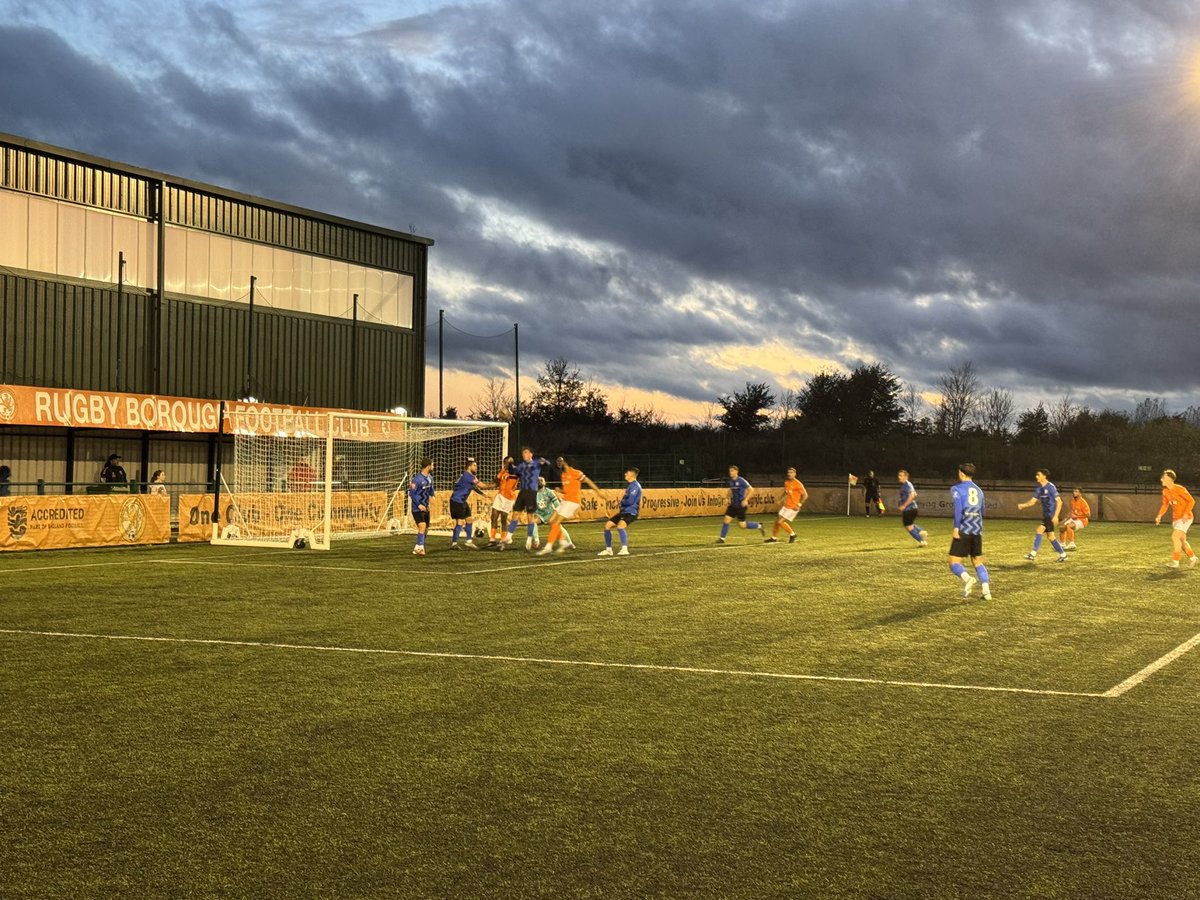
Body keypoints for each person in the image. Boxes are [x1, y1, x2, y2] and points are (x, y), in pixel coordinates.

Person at [537, 456, 605, 556]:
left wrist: (598, 492)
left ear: (566, 463)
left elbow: (588, 481)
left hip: (572, 502)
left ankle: (548, 546)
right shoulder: (564, 475)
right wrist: (560, 490)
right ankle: (563, 542)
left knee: (556, 522)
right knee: (551, 521)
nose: (559, 464)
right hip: (565, 501)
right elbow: (567, 491)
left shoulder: (576, 473)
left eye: (561, 462)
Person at [949, 462, 991, 600]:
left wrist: (956, 528)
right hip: (977, 530)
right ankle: (986, 591)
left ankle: (968, 579)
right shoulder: (979, 491)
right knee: (978, 561)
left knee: (954, 562)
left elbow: (958, 510)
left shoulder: (956, 489)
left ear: (961, 473)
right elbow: (983, 511)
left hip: (964, 529)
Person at [503, 447, 550, 551]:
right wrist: (510, 464)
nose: (523, 454)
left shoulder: (536, 462)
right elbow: (513, 471)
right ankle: (509, 536)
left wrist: (545, 461)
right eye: (523, 453)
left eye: (525, 452)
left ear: (531, 454)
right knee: (515, 514)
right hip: (522, 492)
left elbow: (548, 464)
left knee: (530, 517)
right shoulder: (521, 465)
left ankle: (529, 539)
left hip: (531, 492)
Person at [1018, 468, 1067, 563]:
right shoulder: (1039, 488)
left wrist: (1056, 516)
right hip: (1046, 516)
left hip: (1050, 515)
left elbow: (1059, 502)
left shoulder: (1051, 487)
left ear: (1044, 476)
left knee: (1039, 530)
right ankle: (1063, 554)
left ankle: (1033, 554)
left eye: (1038, 475)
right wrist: (1023, 505)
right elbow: (1032, 502)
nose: (1036, 476)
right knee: (1051, 537)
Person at [1155, 469, 1196, 569]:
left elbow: (1191, 501)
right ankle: (1193, 557)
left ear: (1169, 479)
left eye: (1163, 477)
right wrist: (1159, 515)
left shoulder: (1179, 488)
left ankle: (1175, 562)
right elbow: (1165, 505)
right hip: (1176, 519)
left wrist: (1186, 513)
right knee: (1182, 542)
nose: (1161, 479)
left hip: (1185, 518)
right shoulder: (1165, 491)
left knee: (1175, 537)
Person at [599, 467, 642, 556]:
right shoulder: (630, 485)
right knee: (607, 526)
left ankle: (624, 549)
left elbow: (630, 501)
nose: (625, 474)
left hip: (631, 512)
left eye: (627, 473)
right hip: (624, 511)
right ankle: (608, 550)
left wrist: (620, 502)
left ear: (631, 474)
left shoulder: (635, 486)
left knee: (620, 526)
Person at [717, 465, 763, 542]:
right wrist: (727, 498)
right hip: (733, 505)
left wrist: (745, 500)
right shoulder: (731, 481)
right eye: (729, 471)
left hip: (740, 506)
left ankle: (759, 525)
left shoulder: (741, 480)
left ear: (736, 472)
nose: (730, 472)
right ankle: (722, 538)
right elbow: (730, 490)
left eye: (732, 471)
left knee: (742, 525)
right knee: (726, 520)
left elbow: (751, 490)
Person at [449, 458, 486, 550]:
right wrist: (495, 483)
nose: (476, 467)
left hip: (462, 501)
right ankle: (454, 544)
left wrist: (483, 494)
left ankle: (468, 541)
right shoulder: (468, 476)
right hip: (457, 500)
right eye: (474, 465)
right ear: (469, 467)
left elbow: (473, 487)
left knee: (469, 520)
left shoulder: (466, 476)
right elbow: (482, 485)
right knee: (460, 522)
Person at [765, 467, 807, 543]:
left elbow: (805, 495)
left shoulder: (798, 484)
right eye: (788, 473)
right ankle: (774, 538)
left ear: (795, 474)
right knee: (777, 521)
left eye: (791, 473)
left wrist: (799, 505)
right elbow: (786, 492)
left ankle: (792, 534)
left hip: (793, 507)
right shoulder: (787, 482)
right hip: (786, 506)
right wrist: (781, 499)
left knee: (780, 522)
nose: (789, 474)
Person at [488, 455, 518, 547]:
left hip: (509, 498)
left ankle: (502, 541)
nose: (504, 465)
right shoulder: (503, 470)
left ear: (511, 463)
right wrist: (490, 484)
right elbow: (497, 479)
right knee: (494, 516)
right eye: (503, 463)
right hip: (500, 495)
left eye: (505, 463)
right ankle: (492, 540)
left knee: (504, 519)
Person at [408, 457, 434, 556]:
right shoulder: (416, 479)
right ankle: (421, 548)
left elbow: (431, 489)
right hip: (417, 508)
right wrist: (419, 505)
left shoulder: (430, 478)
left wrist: (433, 495)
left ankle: (417, 547)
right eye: (432, 465)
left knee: (426, 528)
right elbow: (411, 493)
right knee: (422, 525)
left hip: (426, 507)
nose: (433, 466)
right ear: (428, 467)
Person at [896, 469, 929, 547]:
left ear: (906, 477)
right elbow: (915, 493)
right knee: (910, 524)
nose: (899, 477)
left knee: (909, 527)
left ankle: (922, 541)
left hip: (909, 509)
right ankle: (921, 531)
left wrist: (904, 505)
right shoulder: (907, 484)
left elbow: (912, 495)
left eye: (901, 475)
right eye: (898, 475)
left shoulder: (907, 485)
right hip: (913, 508)